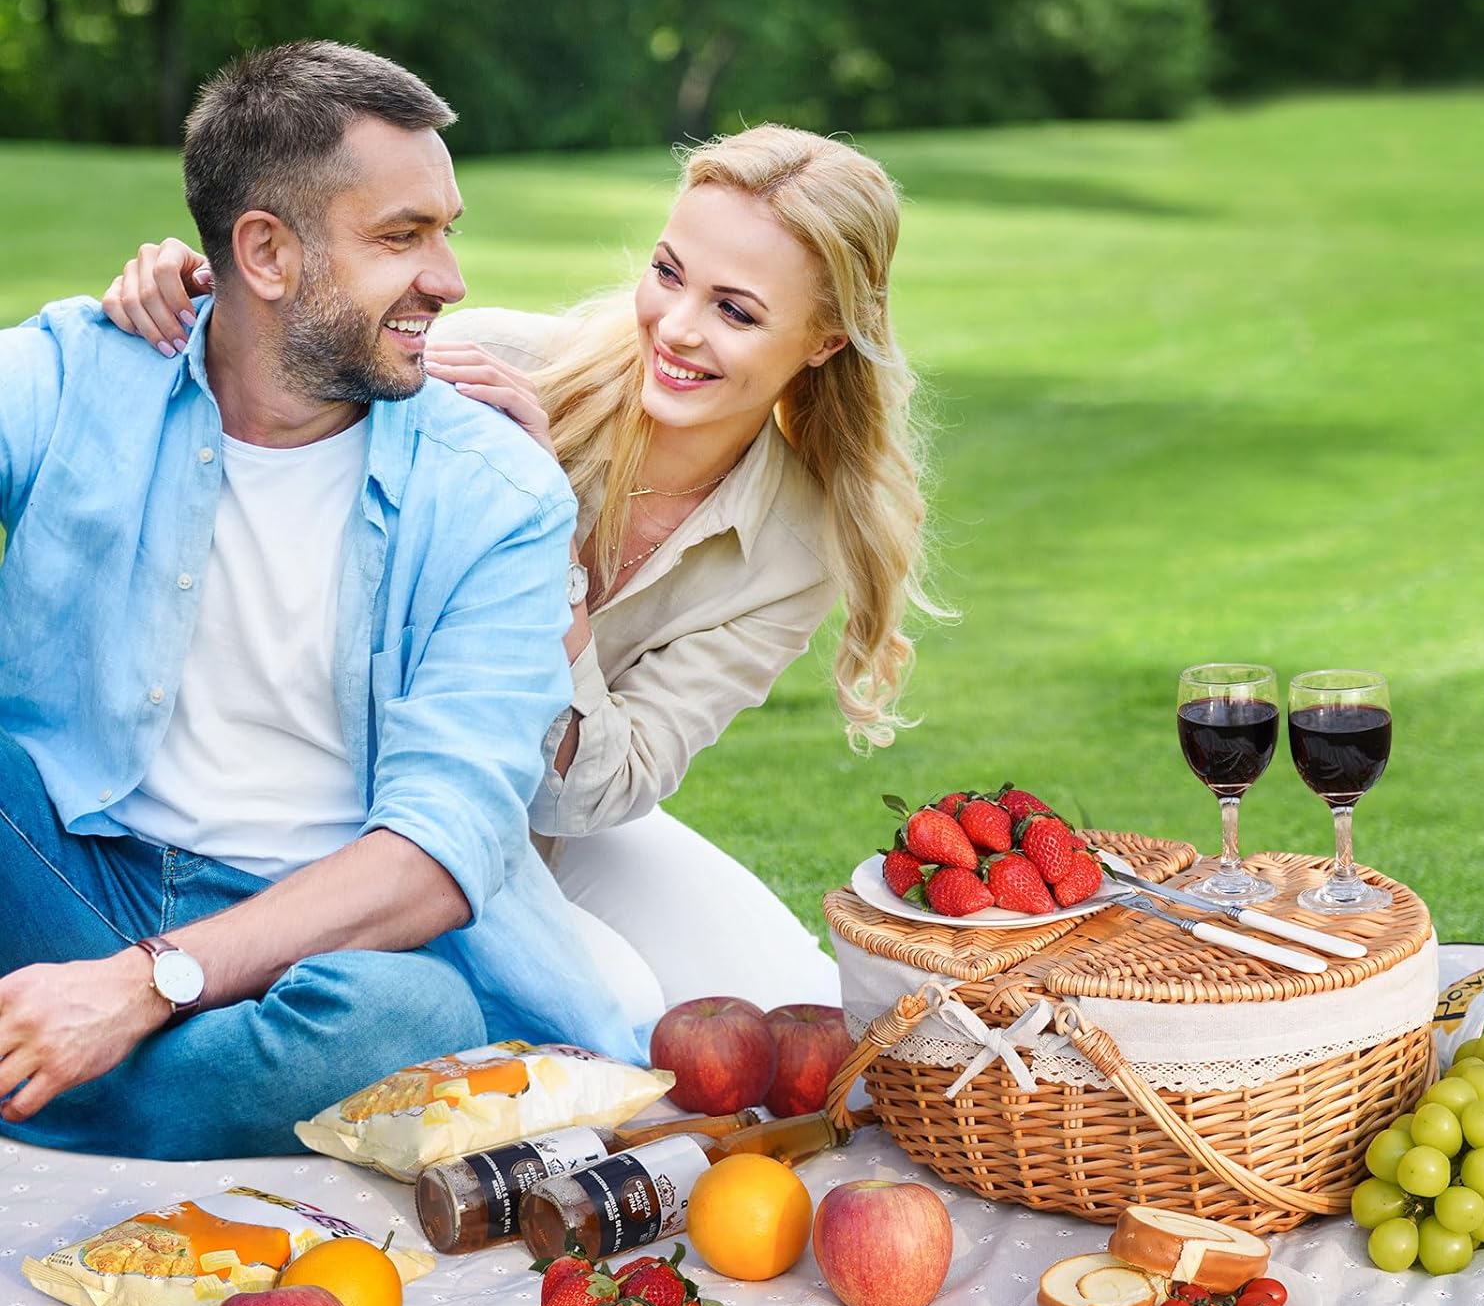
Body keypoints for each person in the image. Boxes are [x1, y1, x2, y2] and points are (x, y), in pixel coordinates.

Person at [102, 126, 942, 1027]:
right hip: (364, 789)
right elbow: (271, 387)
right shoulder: (493, 363)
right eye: (667, 274)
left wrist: (549, 537)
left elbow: (592, 795)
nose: (677, 328)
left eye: (736, 312)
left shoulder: (795, 545)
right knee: (622, 1004)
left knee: (802, 1005)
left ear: (823, 341)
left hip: (542, 811)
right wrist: (194, 290)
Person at [0, 40, 639, 1162]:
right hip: (69, 870)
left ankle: (69, 1070)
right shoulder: (81, 371)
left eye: (445, 231)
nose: (450, 279)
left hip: (323, 944)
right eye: (402, 237)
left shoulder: (497, 493)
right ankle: (128, 1077)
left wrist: (142, 985)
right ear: (264, 252)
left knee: (413, 1024)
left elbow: (437, 854)